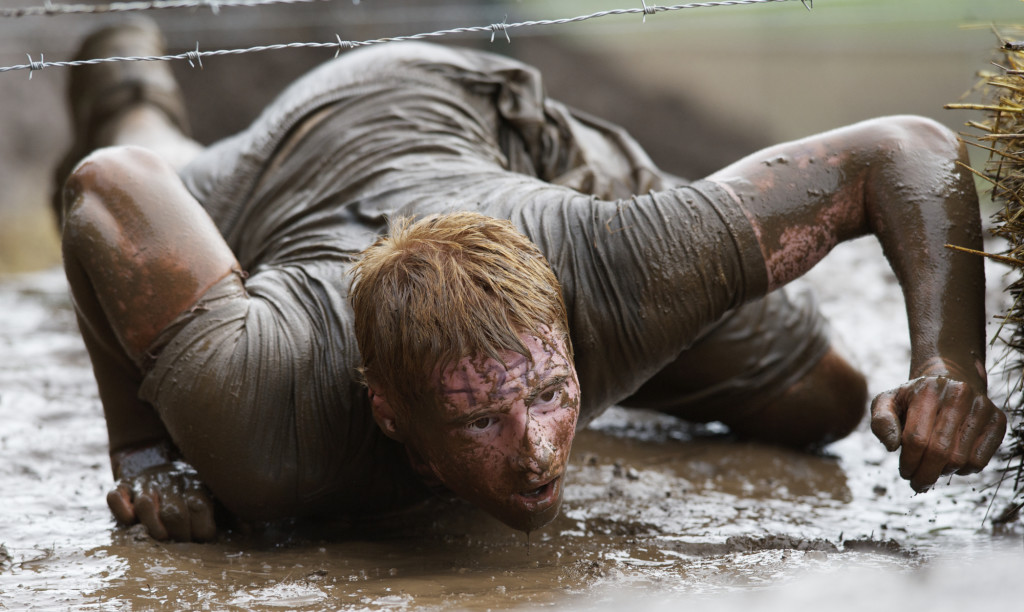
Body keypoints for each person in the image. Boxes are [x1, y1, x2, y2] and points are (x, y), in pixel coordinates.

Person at [56, 19, 1007, 542]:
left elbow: (901, 150)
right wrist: (151, 455)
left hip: (479, 124)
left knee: (824, 400)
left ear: (576, 333)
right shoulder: (265, 410)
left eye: (553, 397)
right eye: (478, 421)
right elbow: (110, 186)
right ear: (387, 412)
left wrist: (950, 364)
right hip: (295, 171)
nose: (538, 451)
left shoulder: (627, 268)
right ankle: (129, 80)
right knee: (157, 154)